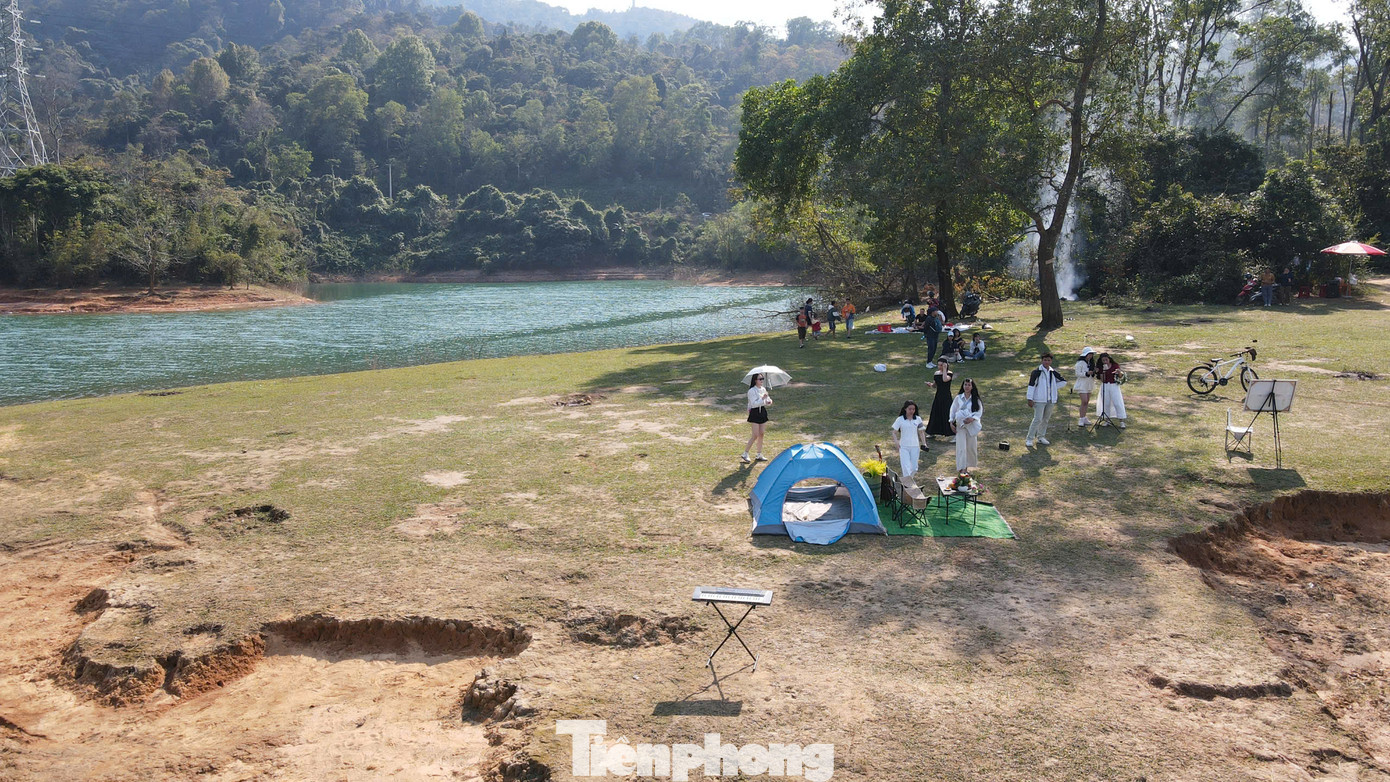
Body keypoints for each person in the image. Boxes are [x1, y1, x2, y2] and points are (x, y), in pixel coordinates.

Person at [1025, 353, 1068, 447]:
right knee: (1037, 419)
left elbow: (1064, 381)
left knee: (1045, 419)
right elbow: (1031, 385)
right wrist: (1029, 398)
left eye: (1048, 360)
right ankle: (1029, 438)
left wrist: (1052, 387)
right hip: (1039, 399)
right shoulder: (1037, 372)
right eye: (1045, 360)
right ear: (1042, 360)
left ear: (1051, 361)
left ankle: (1041, 436)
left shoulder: (1053, 372)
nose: (1047, 362)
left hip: (1050, 399)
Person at [950, 378, 983, 473]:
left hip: (971, 426)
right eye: (965, 385)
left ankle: (968, 467)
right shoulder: (958, 398)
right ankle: (962, 468)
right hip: (960, 426)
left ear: (972, 387)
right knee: (961, 447)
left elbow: (979, 411)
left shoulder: (975, 399)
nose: (967, 387)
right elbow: (953, 410)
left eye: (969, 385)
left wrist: (972, 419)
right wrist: (951, 422)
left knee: (970, 447)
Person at [891, 400, 927, 477]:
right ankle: (907, 484)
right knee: (906, 467)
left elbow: (921, 432)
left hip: (915, 446)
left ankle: (909, 481)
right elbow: (894, 432)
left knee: (914, 468)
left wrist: (924, 443)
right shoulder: (900, 419)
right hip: (904, 446)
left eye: (913, 409)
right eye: (910, 409)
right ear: (905, 409)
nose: (912, 411)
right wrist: (896, 442)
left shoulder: (918, 419)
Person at [742, 374, 772, 463]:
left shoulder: (763, 389)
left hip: (762, 412)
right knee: (755, 435)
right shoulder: (751, 391)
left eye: (762, 379)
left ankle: (759, 454)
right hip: (755, 413)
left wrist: (768, 401)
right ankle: (745, 453)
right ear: (755, 380)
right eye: (760, 379)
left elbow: (767, 401)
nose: (762, 380)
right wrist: (763, 399)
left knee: (761, 433)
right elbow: (754, 404)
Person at [1095, 352, 1127, 428]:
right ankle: (1107, 420)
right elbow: (1102, 380)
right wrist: (1102, 372)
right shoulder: (1101, 367)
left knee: (1117, 402)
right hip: (1105, 385)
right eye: (1103, 360)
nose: (1105, 361)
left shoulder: (1115, 366)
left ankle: (1121, 421)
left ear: (1109, 359)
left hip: (1114, 385)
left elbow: (1120, 376)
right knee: (1106, 403)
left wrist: (1119, 372)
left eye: (1106, 359)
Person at [926, 358, 955, 441]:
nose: (939, 367)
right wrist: (930, 384)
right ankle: (932, 432)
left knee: (947, 414)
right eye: (938, 365)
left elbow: (945, 379)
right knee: (936, 413)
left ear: (945, 365)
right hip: (938, 396)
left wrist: (945, 369)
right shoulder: (936, 373)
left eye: (941, 365)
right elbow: (935, 385)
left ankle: (953, 434)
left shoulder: (949, 373)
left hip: (946, 396)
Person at [1073, 347, 1098, 427]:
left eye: (1091, 355)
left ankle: (1084, 417)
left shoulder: (1091, 363)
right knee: (1084, 401)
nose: (1090, 356)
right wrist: (1086, 373)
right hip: (1082, 384)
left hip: (1089, 384)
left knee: (1087, 402)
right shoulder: (1080, 363)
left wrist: (1094, 372)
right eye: (1089, 354)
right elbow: (1077, 374)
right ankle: (1081, 418)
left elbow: (1092, 374)